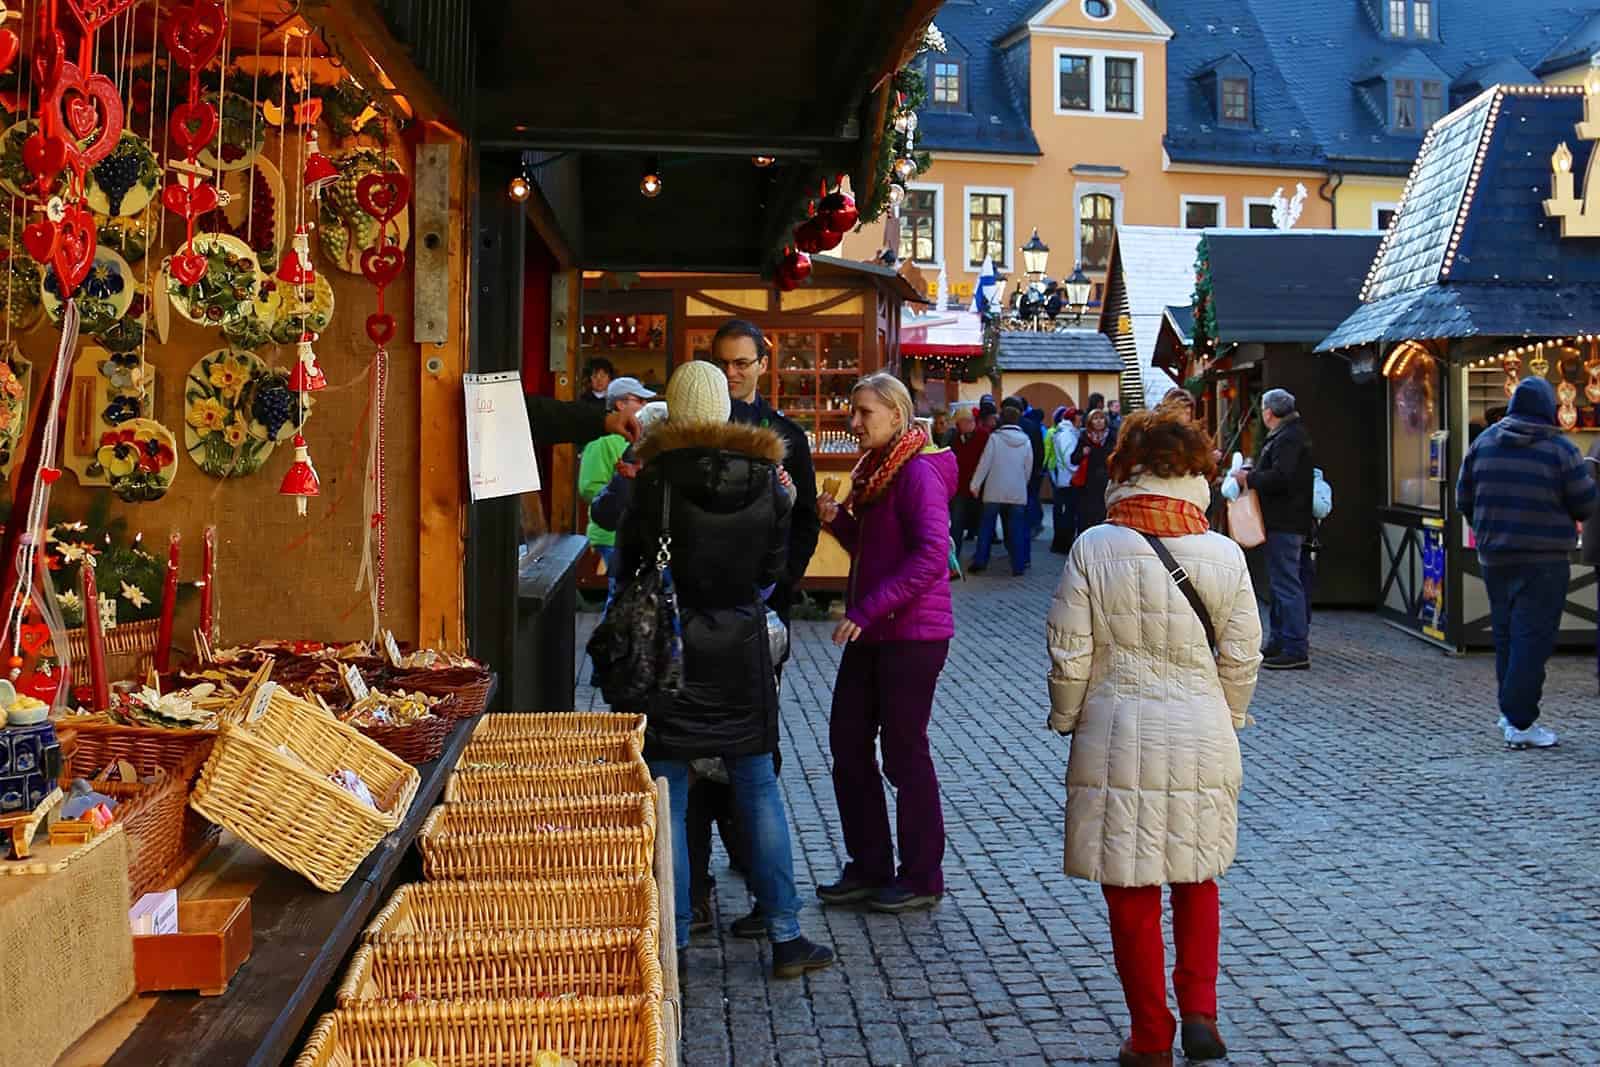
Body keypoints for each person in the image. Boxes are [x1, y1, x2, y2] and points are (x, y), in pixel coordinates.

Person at [1047, 409, 1262, 1067]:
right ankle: (1200, 1012)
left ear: (1125, 471)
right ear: (1197, 473)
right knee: (1198, 876)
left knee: (1131, 889)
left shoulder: (1094, 545)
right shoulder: (1223, 552)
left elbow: (1069, 651)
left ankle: (1149, 1036)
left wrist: (1066, 715)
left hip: (1116, 730)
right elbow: (1246, 652)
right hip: (1202, 730)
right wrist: (1227, 712)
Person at [615, 359, 834, 977]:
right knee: (758, 789)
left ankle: (676, 938)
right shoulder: (765, 476)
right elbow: (770, 568)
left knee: (671, 796)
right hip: (739, 646)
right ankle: (787, 935)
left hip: (670, 651)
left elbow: (630, 562)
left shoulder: (654, 478)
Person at [815, 372, 957, 913]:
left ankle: (922, 875)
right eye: (853, 412)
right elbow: (872, 549)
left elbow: (928, 557)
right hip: (875, 629)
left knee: (903, 753)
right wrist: (837, 523)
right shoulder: (875, 471)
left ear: (897, 416)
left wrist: (867, 609)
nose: (854, 423)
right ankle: (869, 865)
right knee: (848, 743)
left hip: (912, 635)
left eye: (864, 413)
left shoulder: (917, 472)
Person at [1458, 376, 1597, 749]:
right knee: (1533, 637)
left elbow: (1463, 499)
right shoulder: (1561, 450)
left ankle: (1511, 713)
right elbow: (1585, 503)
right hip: (1545, 557)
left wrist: (1489, 529)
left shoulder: (1482, 444)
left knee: (1506, 635)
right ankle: (1520, 720)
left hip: (1494, 556)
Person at [714, 320, 820, 627]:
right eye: (722, 363)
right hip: (701, 592)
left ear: (762, 364)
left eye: (741, 363)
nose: (730, 372)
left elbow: (806, 516)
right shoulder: (694, 431)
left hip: (766, 594)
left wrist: (785, 577)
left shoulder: (788, 436)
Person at [1232, 389, 1314, 671]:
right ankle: (1280, 641)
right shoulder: (1289, 433)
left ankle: (1294, 647)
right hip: (1283, 520)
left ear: (1269, 412)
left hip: (1285, 521)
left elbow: (1282, 477)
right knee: (1281, 584)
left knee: (1286, 584)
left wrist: (1249, 477)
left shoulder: (1288, 436)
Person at [577, 377, 655, 601]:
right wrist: (620, 491)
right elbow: (588, 487)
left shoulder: (640, 439)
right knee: (619, 603)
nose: (644, 405)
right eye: (639, 400)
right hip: (610, 537)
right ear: (621, 405)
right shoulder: (601, 442)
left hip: (633, 536)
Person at [969, 406, 1033, 575]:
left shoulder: (995, 439)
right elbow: (1028, 468)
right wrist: (1022, 484)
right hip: (1017, 491)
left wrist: (975, 485)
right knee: (1017, 529)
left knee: (986, 528)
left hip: (994, 490)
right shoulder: (1026, 440)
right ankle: (1018, 565)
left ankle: (980, 562)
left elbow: (985, 463)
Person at [949, 408, 989, 551]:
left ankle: (981, 556)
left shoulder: (984, 436)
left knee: (982, 523)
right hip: (959, 487)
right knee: (957, 523)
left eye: (959, 423)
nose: (958, 426)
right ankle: (954, 554)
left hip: (979, 487)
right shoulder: (955, 437)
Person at [1072, 409, 1114, 531]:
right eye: (1095, 418)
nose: (1099, 421)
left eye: (1101, 418)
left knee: (1103, 515)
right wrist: (1083, 453)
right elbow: (1073, 459)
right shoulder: (1084, 436)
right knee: (1086, 516)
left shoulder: (1112, 436)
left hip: (1106, 482)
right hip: (1088, 484)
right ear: (1090, 422)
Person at [1049, 407, 1081, 554]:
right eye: (1080, 418)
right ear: (1073, 419)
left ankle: (1060, 543)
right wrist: (1078, 470)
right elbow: (1070, 459)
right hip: (1069, 480)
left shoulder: (1062, 432)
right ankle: (1063, 544)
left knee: (1065, 513)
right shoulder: (1068, 434)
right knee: (1068, 514)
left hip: (1064, 479)